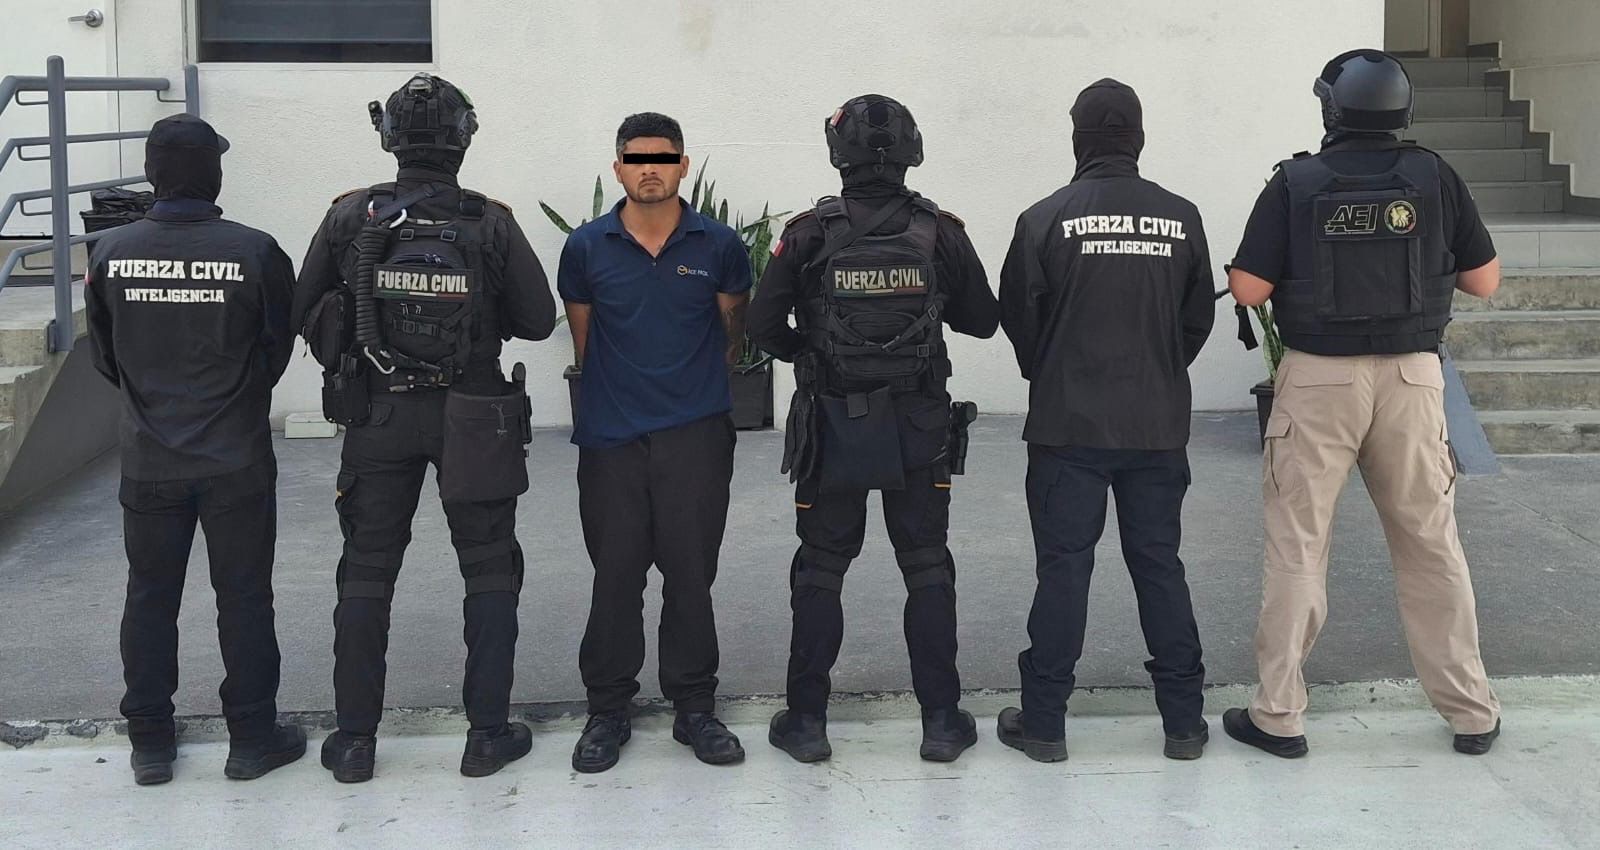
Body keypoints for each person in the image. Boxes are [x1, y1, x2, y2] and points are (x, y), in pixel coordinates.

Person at [1225, 49, 1503, 758]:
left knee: (1299, 546)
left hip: (1319, 382)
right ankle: (1471, 712)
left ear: (1331, 108)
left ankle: (1279, 716)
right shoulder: (1435, 176)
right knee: (1431, 545)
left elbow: (1250, 290)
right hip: (1412, 381)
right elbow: (1484, 281)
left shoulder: (1296, 182)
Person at [292, 73, 558, 781]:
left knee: (367, 570)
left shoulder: (350, 216)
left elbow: (299, 308)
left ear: (388, 138)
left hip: (377, 414)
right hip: (473, 416)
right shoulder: (490, 220)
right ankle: (487, 736)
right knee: (489, 566)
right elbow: (538, 320)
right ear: (464, 139)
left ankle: (354, 742)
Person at [748, 94, 999, 763]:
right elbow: (982, 321)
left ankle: (806, 724)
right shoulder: (940, 232)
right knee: (926, 565)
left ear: (839, 155)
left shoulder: (807, 233)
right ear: (912, 152)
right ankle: (941, 723)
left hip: (833, 423)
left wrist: (813, 353)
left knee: (821, 568)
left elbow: (761, 326)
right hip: (919, 424)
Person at [995, 79, 1216, 762]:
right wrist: (1158, 368)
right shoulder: (1182, 216)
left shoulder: (1043, 218)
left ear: (1077, 140)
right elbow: (1196, 320)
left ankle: (1044, 724)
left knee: (1064, 570)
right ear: (1139, 139)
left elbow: (1017, 316)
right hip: (1156, 425)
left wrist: (1051, 371)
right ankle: (1184, 723)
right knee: (1159, 566)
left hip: (1067, 427)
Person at [86, 113, 305, 785]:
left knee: (149, 595)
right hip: (235, 455)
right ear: (213, 173)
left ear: (152, 173)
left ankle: (150, 743)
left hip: (149, 458)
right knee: (245, 597)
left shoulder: (110, 251)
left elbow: (106, 357)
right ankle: (252, 740)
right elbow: (276, 347)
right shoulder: (256, 251)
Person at [558, 112, 750, 773]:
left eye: (663, 159)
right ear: (618, 169)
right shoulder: (586, 248)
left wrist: (686, 396)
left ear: (682, 165)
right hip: (611, 438)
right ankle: (607, 710)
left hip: (696, 436)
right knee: (615, 576)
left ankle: (695, 707)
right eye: (637, 159)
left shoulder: (719, 245)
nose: (650, 169)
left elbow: (732, 335)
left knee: (691, 576)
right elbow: (584, 342)